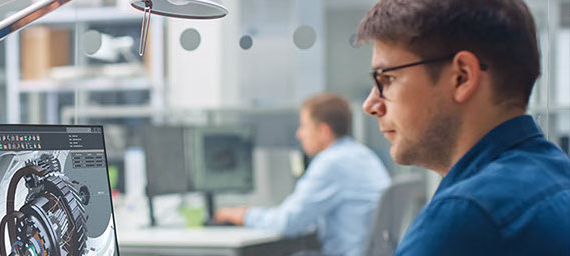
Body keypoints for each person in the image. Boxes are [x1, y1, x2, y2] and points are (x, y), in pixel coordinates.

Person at [356, 0, 570, 254]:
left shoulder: (467, 216)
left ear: (462, 77)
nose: (370, 105)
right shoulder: (556, 173)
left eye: (387, 79)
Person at [214, 93, 390, 256]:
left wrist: (243, 215)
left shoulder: (331, 163)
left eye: (304, 126)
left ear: (323, 131)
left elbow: (288, 223)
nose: (299, 134)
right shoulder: (363, 155)